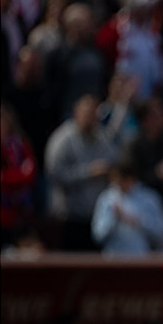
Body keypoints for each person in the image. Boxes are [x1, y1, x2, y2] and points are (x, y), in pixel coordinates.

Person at [44, 94, 116, 251]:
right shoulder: (62, 139)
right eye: (86, 113)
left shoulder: (102, 137)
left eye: (93, 113)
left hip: (95, 217)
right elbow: (54, 174)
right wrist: (88, 172)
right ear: (76, 112)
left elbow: (114, 163)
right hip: (69, 217)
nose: (90, 117)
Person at [91, 159, 163, 254]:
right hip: (112, 259)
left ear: (131, 178)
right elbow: (97, 235)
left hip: (142, 258)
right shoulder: (106, 199)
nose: (117, 183)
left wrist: (140, 221)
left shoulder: (148, 198)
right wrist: (113, 219)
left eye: (122, 179)